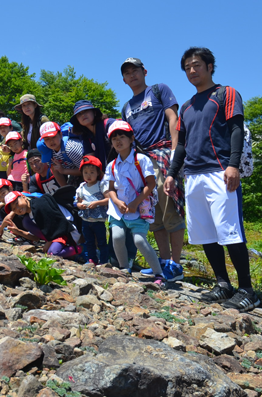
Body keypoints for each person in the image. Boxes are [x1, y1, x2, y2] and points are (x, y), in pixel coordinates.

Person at [164, 47, 258, 312]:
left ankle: (247, 289)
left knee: (230, 231)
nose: (192, 71)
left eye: (196, 65)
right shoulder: (186, 106)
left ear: (209, 66)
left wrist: (233, 165)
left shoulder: (226, 93)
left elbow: (236, 129)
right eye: (187, 68)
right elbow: (181, 145)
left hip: (220, 171)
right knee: (205, 233)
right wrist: (172, 173)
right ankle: (223, 284)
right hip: (193, 175)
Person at [120, 57, 186, 281]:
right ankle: (164, 262)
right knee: (153, 213)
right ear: (123, 79)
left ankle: (176, 265)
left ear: (144, 71)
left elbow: (173, 119)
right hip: (142, 162)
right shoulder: (126, 107)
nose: (132, 75)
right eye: (127, 73)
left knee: (170, 208)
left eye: (135, 71)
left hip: (163, 153)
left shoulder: (159, 90)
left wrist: (176, 153)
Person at [104, 121, 166, 286]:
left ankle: (159, 274)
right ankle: (125, 269)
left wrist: (135, 202)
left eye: (122, 136)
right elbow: (110, 189)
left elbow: (151, 184)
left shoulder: (142, 159)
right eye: (114, 138)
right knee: (117, 236)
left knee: (139, 240)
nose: (118, 141)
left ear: (131, 138)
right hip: (117, 211)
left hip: (138, 210)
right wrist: (117, 202)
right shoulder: (111, 165)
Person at [1, 191, 82, 258]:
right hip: (57, 234)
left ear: (24, 197)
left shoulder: (39, 204)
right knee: (26, 222)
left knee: (52, 254)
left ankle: (80, 249)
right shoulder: (30, 215)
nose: (17, 209)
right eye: (14, 209)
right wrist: (17, 231)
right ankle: (68, 250)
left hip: (68, 230)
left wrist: (49, 242)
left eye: (16, 203)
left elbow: (57, 224)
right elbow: (36, 238)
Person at [75, 155, 110, 265]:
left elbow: (108, 199)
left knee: (101, 241)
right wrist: (80, 206)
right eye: (86, 173)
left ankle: (104, 261)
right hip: (86, 220)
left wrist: (97, 203)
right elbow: (78, 201)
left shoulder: (101, 185)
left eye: (92, 172)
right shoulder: (81, 187)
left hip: (98, 220)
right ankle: (92, 259)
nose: (88, 175)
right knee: (89, 241)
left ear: (98, 173)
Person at [70, 100, 112, 169]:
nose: (83, 115)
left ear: (95, 113)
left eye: (86, 111)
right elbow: (91, 161)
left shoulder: (108, 125)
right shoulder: (85, 136)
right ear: (77, 120)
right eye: (79, 114)